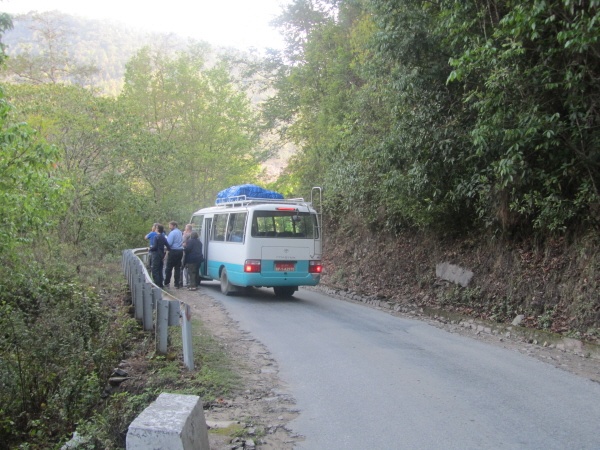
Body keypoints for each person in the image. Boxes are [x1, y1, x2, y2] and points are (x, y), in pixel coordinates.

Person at [148, 224, 170, 288]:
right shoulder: (163, 237)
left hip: (156, 255)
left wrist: (149, 248)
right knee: (160, 270)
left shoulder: (156, 237)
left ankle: (156, 285)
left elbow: (154, 247)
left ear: (157, 229)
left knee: (154, 270)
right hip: (161, 255)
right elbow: (168, 247)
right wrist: (165, 255)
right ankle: (161, 284)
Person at [164, 221, 184, 288]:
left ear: (174, 226)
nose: (169, 227)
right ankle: (177, 283)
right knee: (177, 268)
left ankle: (167, 282)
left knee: (169, 268)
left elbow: (169, 243)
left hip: (173, 251)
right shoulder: (180, 232)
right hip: (180, 251)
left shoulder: (172, 233)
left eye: (170, 226)